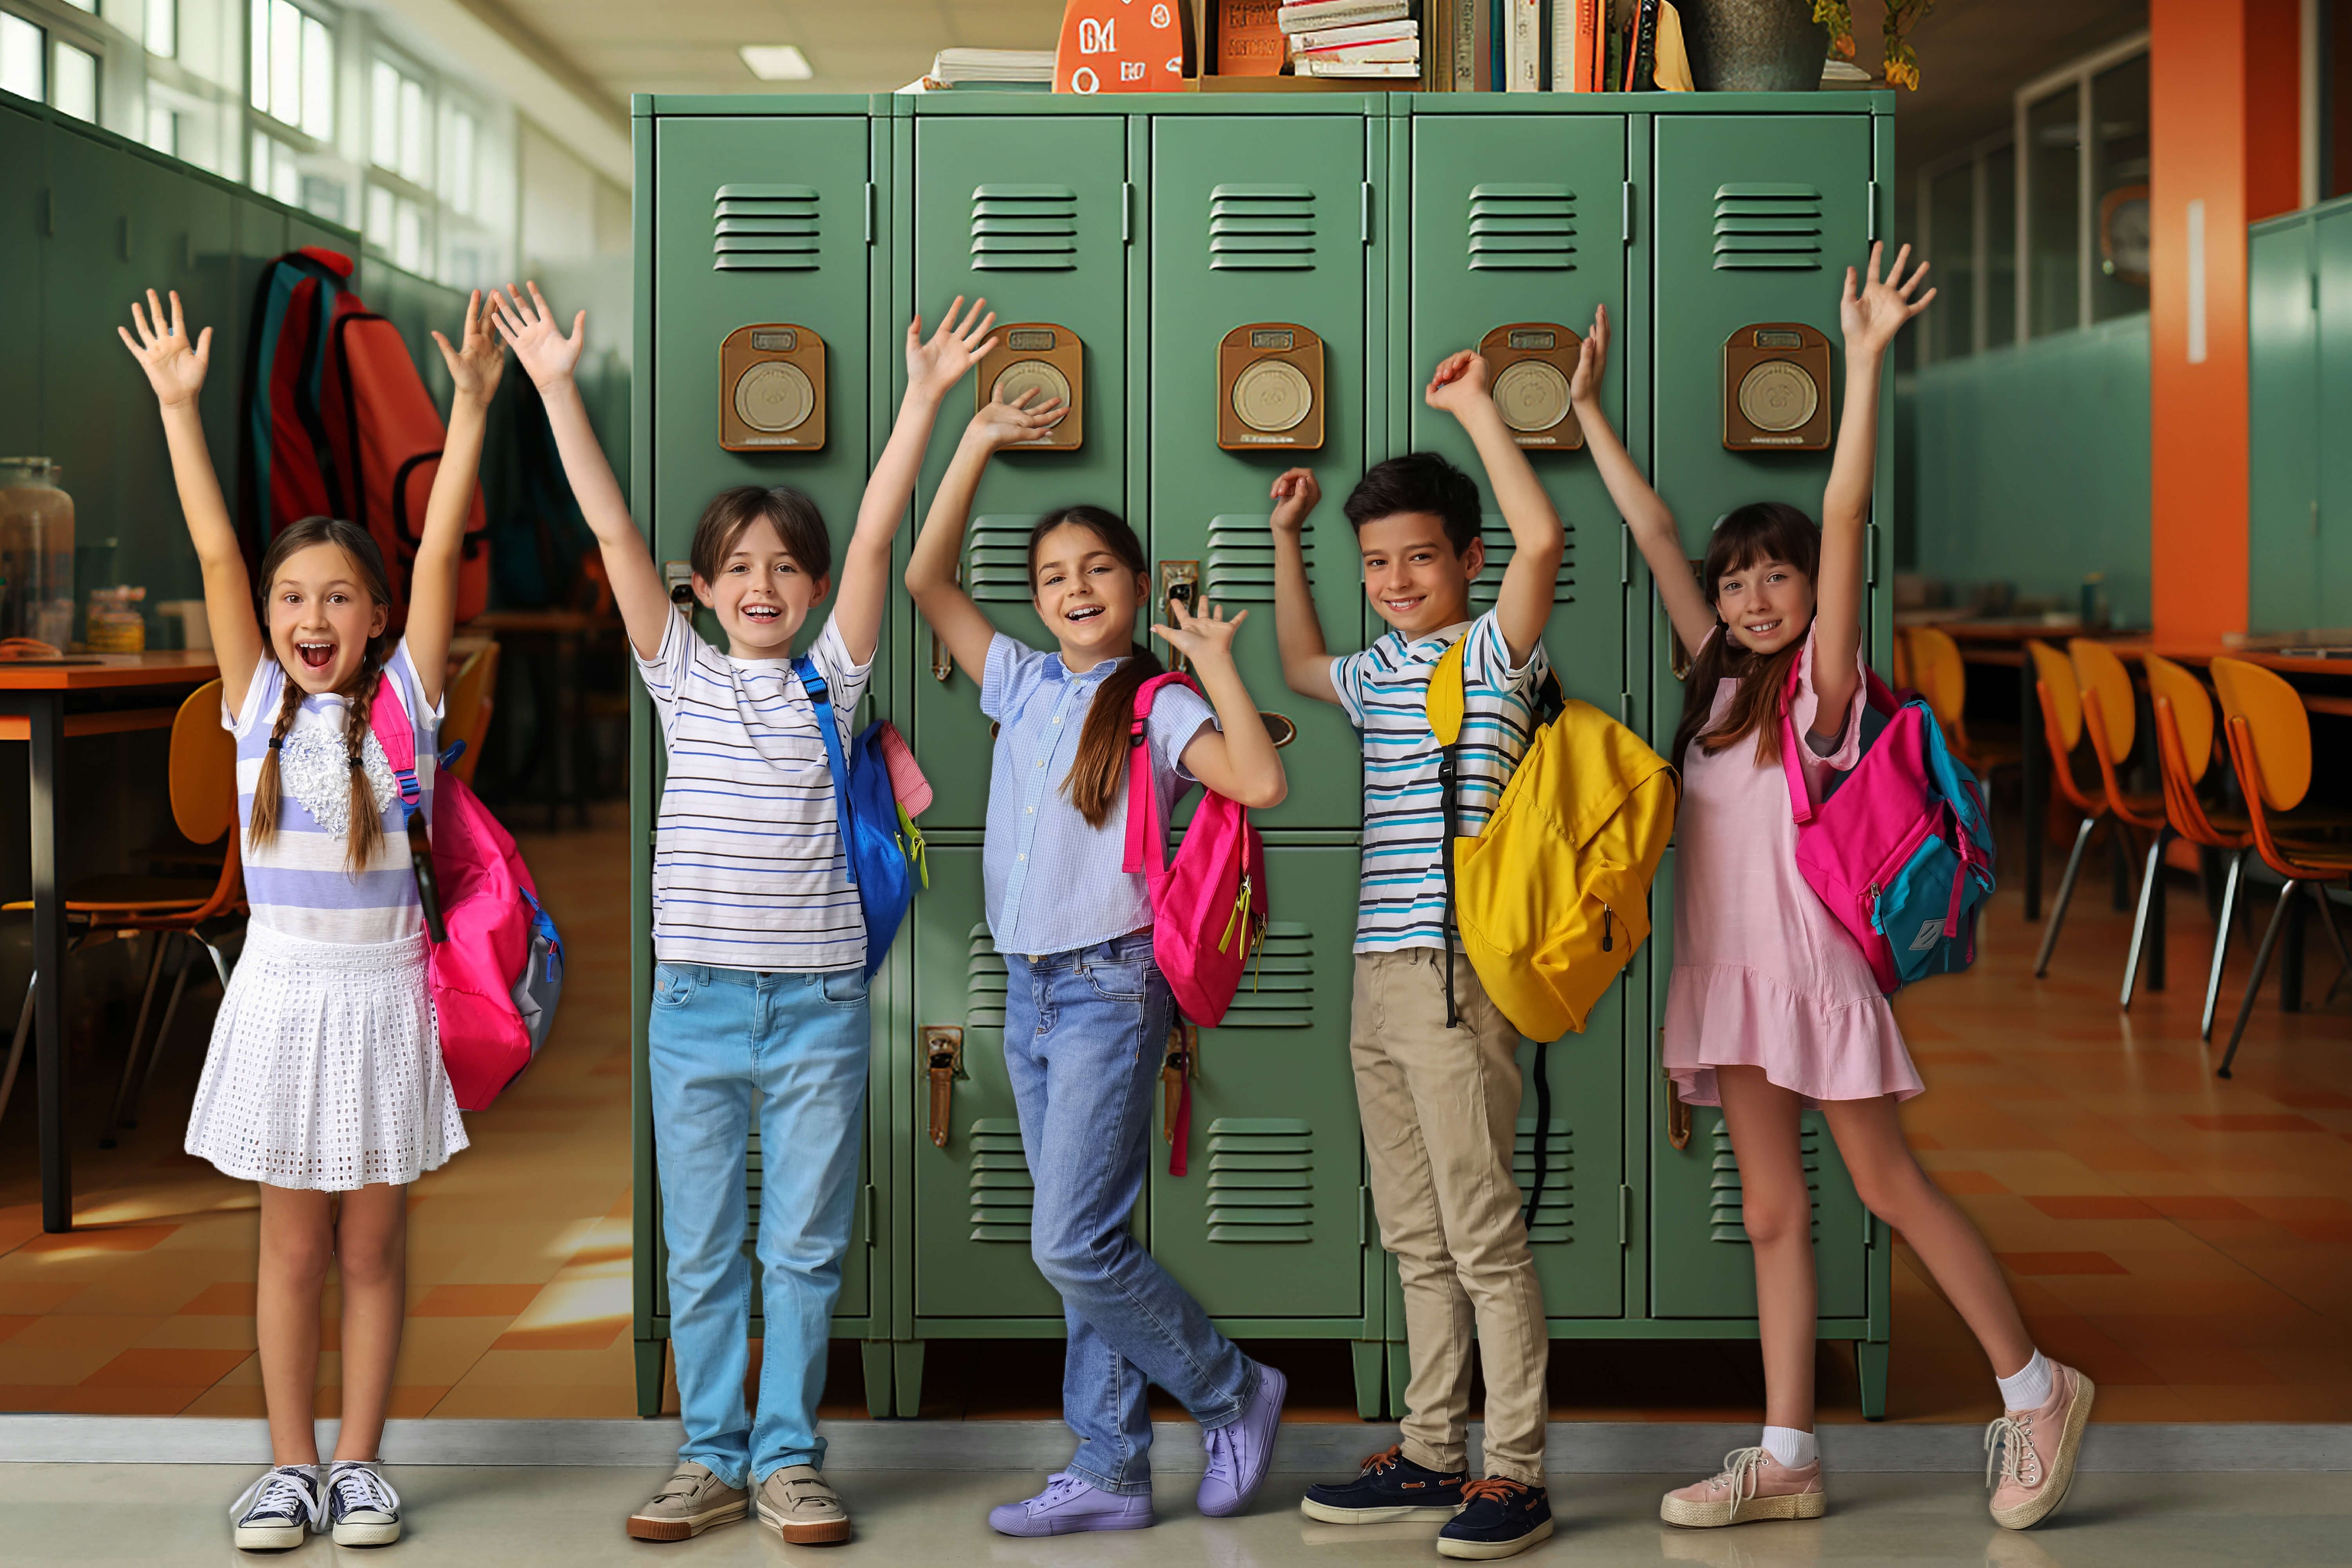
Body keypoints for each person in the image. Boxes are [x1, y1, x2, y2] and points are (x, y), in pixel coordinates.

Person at [1579, 244, 2093, 1532]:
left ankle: (2038, 1390)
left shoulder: (1823, 693)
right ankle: (1788, 1453)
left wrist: (1862, 362)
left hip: (1812, 974)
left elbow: (1850, 513)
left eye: (1777, 575)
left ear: (1812, 597)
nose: (1753, 595)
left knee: (1887, 1187)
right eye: (1737, 576)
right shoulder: (1712, 687)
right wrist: (1584, 412)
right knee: (1767, 1209)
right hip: (1728, 977)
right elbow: (1650, 532)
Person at [494, 283, 996, 1547]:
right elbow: (610, 534)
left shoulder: (833, 682)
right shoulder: (681, 677)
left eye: (785, 567)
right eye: (738, 568)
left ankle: (787, 1459)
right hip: (700, 1009)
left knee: (806, 1250)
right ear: (705, 591)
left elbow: (882, 541)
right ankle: (708, 1455)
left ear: (815, 588)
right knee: (705, 1251)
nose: (762, 583)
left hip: (822, 1006)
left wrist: (928, 398)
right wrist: (556, 383)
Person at [122, 287, 505, 1551]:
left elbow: (441, 548)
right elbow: (218, 552)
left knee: (376, 1249)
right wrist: (180, 407)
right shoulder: (251, 712)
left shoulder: (404, 708)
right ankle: (288, 1470)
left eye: (339, 599)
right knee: (292, 1250)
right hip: (286, 1000)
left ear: (380, 619)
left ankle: (359, 1466)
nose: (311, 620)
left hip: (384, 997)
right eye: (295, 600)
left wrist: (470, 406)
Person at [905, 389, 1292, 1536]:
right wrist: (972, 439)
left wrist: (1218, 659)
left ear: (1137, 590)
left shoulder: (1157, 702)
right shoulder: (1022, 683)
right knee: (1092, 1240)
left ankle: (1233, 1389)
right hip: (1026, 990)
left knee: (1070, 1241)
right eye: (1053, 576)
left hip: (1110, 989)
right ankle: (1114, 1469)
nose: (1074, 590)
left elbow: (1262, 784)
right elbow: (927, 581)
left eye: (1097, 572)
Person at [1272, 349, 1566, 1561]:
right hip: (1378, 980)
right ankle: (1434, 1450)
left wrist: (1474, 410)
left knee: (1483, 1229)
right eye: (1378, 563)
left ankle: (1518, 1472)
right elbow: (1296, 667)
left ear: (1466, 562)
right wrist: (1288, 538)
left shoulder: (1492, 655)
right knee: (1415, 1233)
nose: (1397, 580)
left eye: (1421, 557)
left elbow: (1543, 542)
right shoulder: (1380, 669)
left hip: (1457, 979)